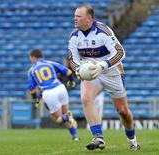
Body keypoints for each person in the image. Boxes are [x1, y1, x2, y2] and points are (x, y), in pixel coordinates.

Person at [68, 5, 140, 150]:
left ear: (89, 18)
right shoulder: (74, 36)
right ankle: (98, 137)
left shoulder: (103, 31)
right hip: (91, 73)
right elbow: (72, 58)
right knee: (86, 98)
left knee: (122, 110)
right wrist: (77, 69)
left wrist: (102, 65)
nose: (74, 18)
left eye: (78, 16)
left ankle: (132, 140)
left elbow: (120, 53)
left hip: (112, 72)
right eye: (75, 16)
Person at [27, 49, 79, 141]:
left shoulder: (31, 70)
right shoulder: (50, 63)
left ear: (33, 57)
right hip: (61, 88)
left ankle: (65, 117)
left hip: (49, 93)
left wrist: (36, 99)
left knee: (58, 120)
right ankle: (75, 136)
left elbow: (31, 88)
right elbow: (68, 72)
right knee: (66, 114)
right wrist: (71, 81)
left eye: (30, 58)